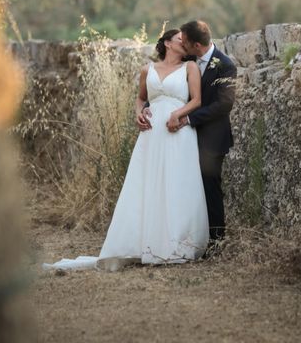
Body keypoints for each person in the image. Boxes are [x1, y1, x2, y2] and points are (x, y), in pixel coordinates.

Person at [43, 29, 209, 270]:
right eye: (179, 38)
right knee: (148, 183)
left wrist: (177, 114)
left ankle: (177, 245)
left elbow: (197, 100)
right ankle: (145, 243)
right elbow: (141, 98)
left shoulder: (190, 68)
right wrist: (138, 113)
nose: (184, 42)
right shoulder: (147, 69)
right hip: (151, 134)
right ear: (166, 43)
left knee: (176, 182)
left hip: (177, 131)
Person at [140, 20, 237, 243]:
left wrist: (189, 118)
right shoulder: (188, 60)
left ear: (195, 45)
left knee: (209, 186)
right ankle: (181, 236)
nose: (181, 43)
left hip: (211, 136)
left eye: (184, 41)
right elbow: (165, 89)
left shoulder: (225, 66)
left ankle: (215, 241)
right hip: (181, 136)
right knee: (181, 184)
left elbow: (224, 104)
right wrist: (147, 110)